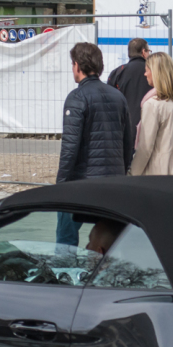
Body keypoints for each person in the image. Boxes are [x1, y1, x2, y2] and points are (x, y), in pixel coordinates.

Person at [55, 42, 132, 246]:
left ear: (77, 65)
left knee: (66, 237)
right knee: (108, 239)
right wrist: (121, 173)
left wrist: (60, 184)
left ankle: (64, 274)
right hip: (113, 181)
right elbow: (127, 142)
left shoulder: (77, 97)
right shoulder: (118, 97)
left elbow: (70, 147)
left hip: (82, 182)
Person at [131, 52, 173, 176]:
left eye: (147, 70)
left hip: (161, 173)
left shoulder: (152, 105)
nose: (145, 74)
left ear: (156, 73)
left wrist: (134, 173)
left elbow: (145, 148)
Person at [106, 37, 150, 142]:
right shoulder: (153, 73)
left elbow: (109, 102)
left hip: (124, 129)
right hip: (148, 128)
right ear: (143, 52)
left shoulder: (117, 73)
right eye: (149, 51)